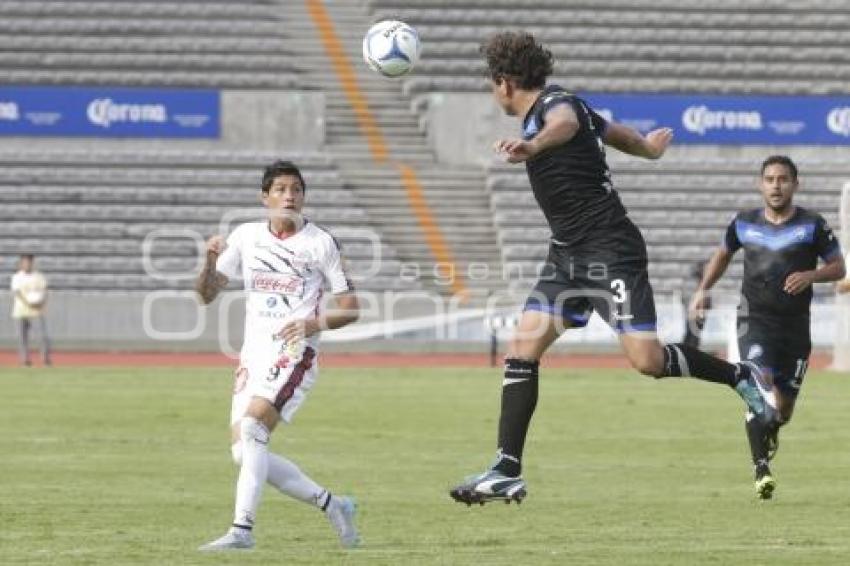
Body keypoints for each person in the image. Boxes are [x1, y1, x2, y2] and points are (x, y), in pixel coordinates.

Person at [450, 32, 778, 506]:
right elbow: (608, 130)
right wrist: (646, 147)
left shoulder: (553, 109)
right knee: (523, 346)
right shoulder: (574, 105)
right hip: (566, 255)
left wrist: (535, 145)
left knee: (646, 361)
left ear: (504, 83)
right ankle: (506, 469)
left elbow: (562, 126)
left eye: (490, 83)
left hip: (608, 250)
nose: (491, 90)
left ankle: (740, 377)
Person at [196, 160, 361, 550]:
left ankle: (242, 531)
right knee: (244, 453)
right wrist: (207, 260)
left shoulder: (321, 243)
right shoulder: (247, 236)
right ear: (265, 196)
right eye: (282, 189)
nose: (290, 196)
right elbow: (206, 294)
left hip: (294, 350)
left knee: (253, 431)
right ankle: (333, 504)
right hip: (253, 353)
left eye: (297, 190)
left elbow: (351, 307)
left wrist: (312, 324)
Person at [689, 155, 845, 499]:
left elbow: (839, 267)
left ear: (795, 184)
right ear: (761, 184)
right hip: (754, 321)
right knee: (759, 388)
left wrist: (812, 275)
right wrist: (703, 289)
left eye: (783, 179)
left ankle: (772, 428)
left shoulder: (813, 225)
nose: (776, 185)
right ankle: (761, 469)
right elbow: (722, 255)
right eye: (770, 179)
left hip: (796, 327)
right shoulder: (743, 223)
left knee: (783, 408)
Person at [10, 254, 51, 366]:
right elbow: (17, 293)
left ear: (32, 263)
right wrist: (28, 303)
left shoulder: (39, 277)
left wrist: (41, 303)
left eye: (29, 262)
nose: (27, 264)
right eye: (25, 262)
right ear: (21, 264)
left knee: (42, 336)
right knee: (22, 338)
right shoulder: (17, 277)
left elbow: (45, 291)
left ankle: (45, 359)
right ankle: (25, 360)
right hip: (20, 312)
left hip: (36, 311)